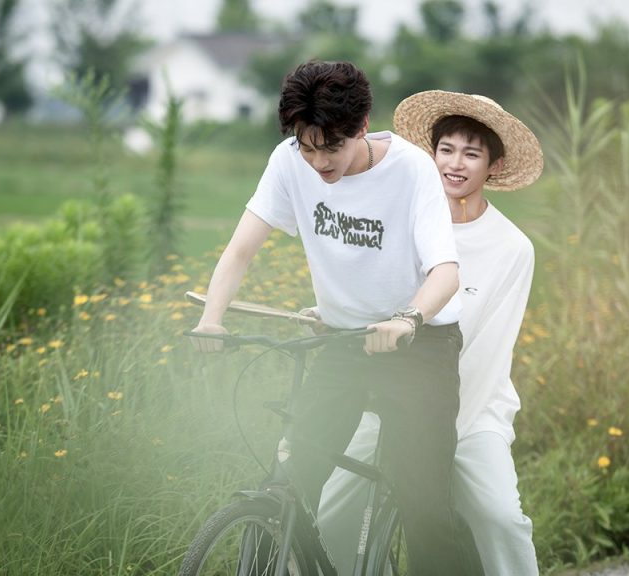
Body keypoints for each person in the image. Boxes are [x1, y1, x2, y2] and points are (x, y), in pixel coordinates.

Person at [189, 63, 479, 573]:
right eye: (307, 145)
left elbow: (446, 271)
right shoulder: (287, 162)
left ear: (362, 125)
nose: (319, 160)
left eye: (332, 146)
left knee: (423, 507)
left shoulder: (411, 171)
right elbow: (240, 250)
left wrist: (407, 319)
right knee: (289, 478)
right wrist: (212, 319)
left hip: (419, 346)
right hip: (343, 342)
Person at [317, 90, 545, 575]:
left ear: (493, 165)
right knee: (331, 510)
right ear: (432, 154)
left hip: (471, 411)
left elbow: (488, 349)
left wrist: (440, 424)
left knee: (502, 519)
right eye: (446, 150)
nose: (455, 164)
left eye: (472, 152)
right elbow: (368, 297)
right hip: (389, 395)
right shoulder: (405, 222)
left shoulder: (512, 248)